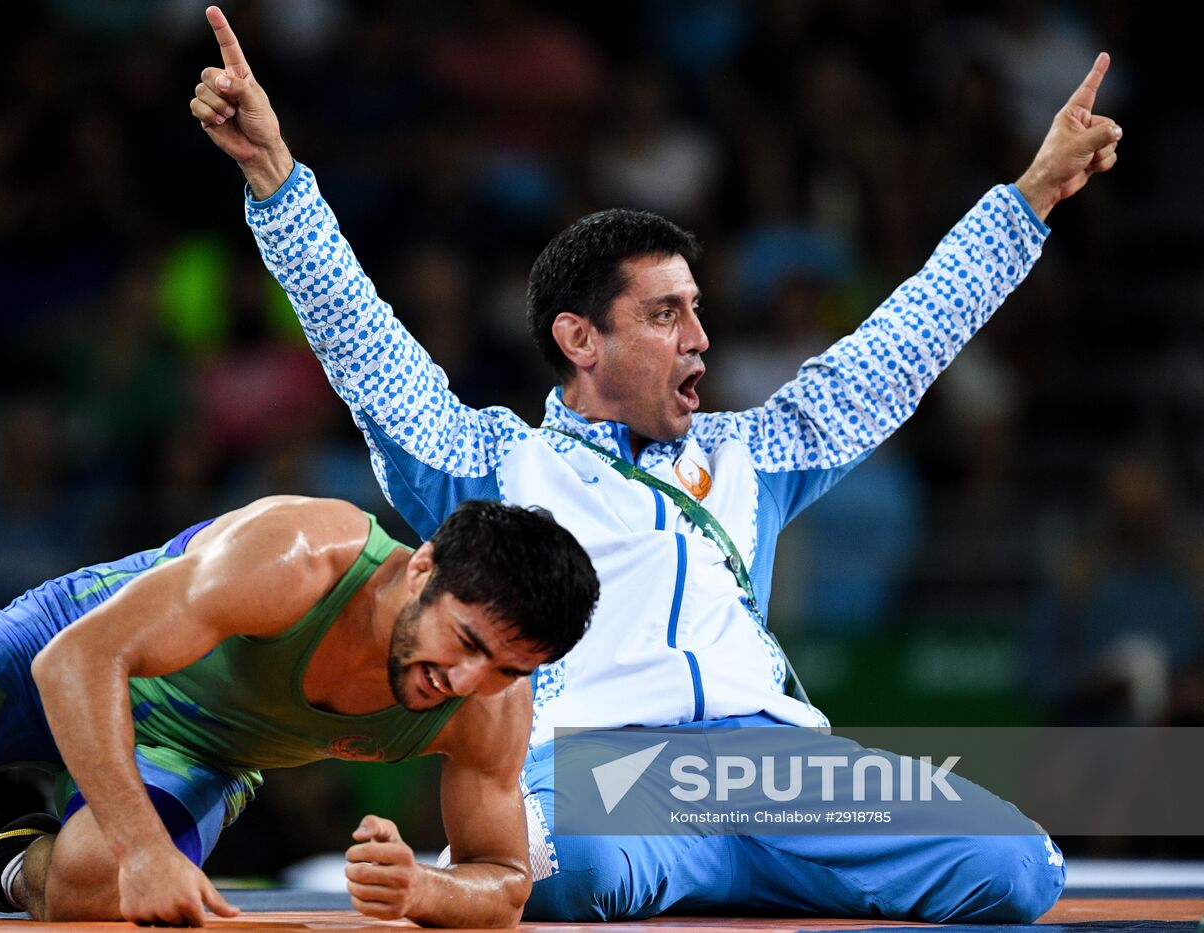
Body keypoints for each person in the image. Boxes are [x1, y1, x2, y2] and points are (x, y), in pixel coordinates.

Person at [191, 6, 1120, 922]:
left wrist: (1029, 198)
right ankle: (509, 863)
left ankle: (739, 865)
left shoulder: (757, 452)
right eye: (665, 313)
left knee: (1020, 868)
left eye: (698, 309)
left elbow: (903, 342)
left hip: (772, 770)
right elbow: (360, 337)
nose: (701, 339)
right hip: (604, 769)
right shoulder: (490, 461)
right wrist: (276, 177)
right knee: (567, 867)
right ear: (579, 338)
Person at [0, 496, 599, 927]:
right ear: (422, 566)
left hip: (203, 748)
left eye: (505, 668)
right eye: (463, 640)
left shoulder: (491, 706)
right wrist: (150, 847)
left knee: (97, 889)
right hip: (70, 643)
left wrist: (422, 890)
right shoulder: (298, 555)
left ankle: (5, 865)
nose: (463, 680)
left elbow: (503, 880)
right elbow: (77, 661)